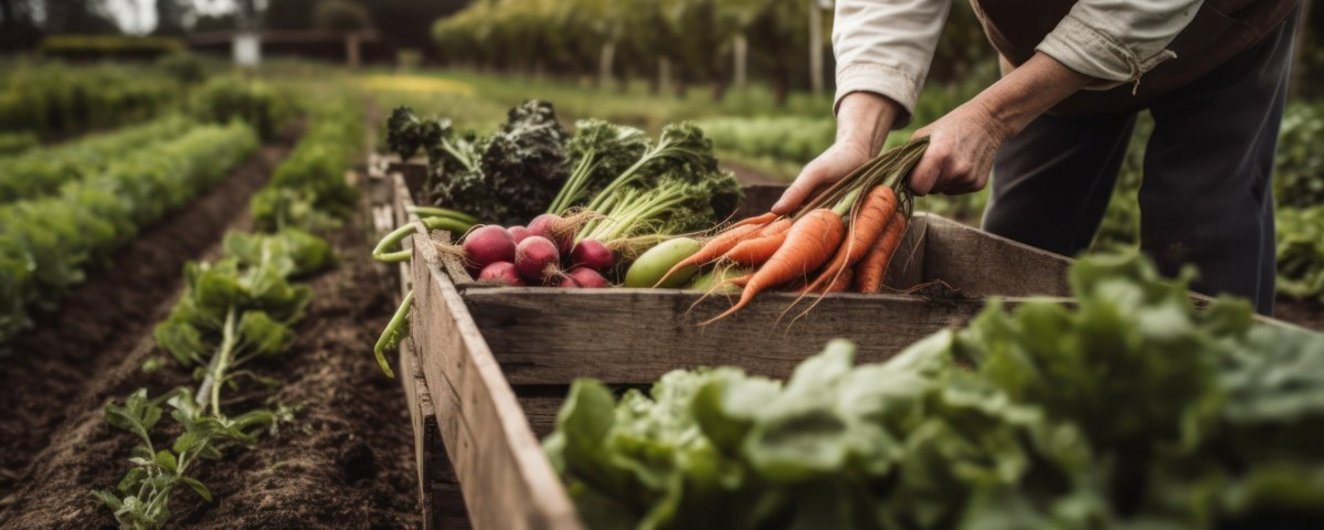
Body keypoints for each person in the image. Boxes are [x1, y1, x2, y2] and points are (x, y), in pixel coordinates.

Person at [773, 0, 1300, 315]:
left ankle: (1217, 454)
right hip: (1046, 38)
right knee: (1015, 241)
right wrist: (858, 140)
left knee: (1201, 230)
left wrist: (992, 117)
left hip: (1221, 29)